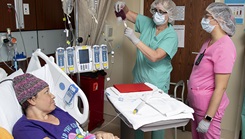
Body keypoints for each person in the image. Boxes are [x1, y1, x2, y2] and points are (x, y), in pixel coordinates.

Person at [114, 0, 178, 139]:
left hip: (158, 83)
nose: (158, 14)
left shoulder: (171, 36)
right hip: (139, 80)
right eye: (156, 10)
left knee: (157, 120)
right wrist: (122, 6)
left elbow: (155, 57)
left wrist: (135, 40)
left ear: (170, 15)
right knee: (139, 118)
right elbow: (128, 14)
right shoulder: (148, 23)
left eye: (162, 12)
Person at [12, 73, 119, 139]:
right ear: (31, 100)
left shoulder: (56, 110)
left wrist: (98, 135)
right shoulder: (25, 129)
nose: (53, 96)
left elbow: (81, 134)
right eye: (46, 92)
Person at [187, 2, 236, 139]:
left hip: (208, 108)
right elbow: (199, 72)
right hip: (196, 103)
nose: (204, 19)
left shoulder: (225, 47)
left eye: (207, 16)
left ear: (219, 20)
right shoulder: (208, 42)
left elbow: (221, 87)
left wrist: (208, 118)